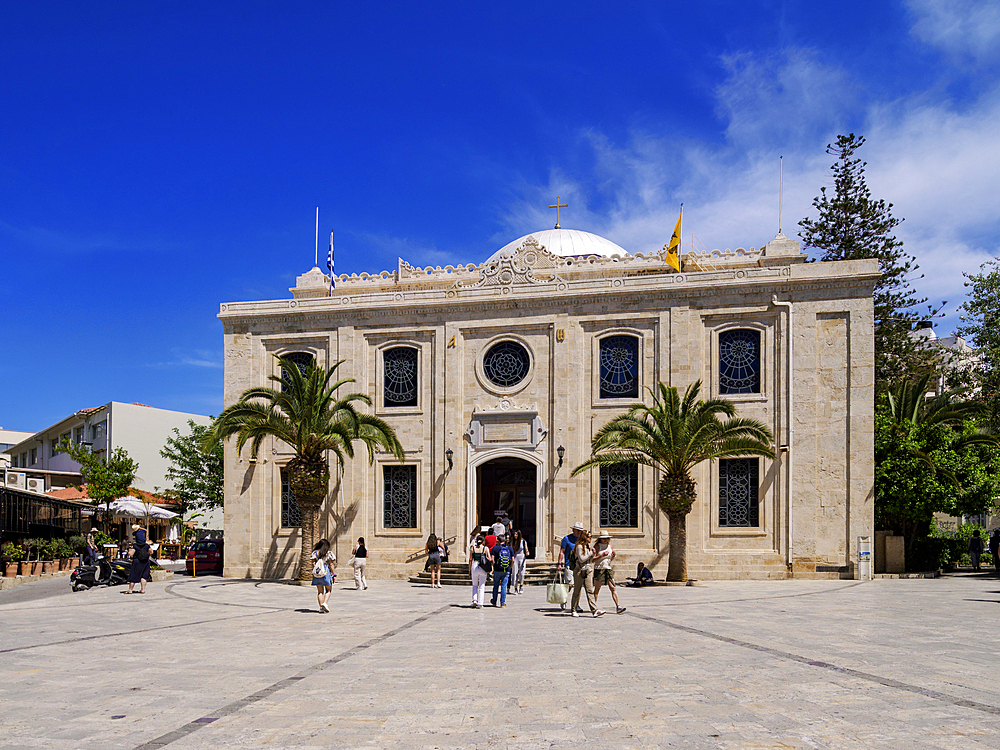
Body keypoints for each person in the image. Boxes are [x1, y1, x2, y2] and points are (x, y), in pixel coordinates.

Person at [570, 530, 603, 617]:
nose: (591, 538)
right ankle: (573, 609)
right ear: (585, 537)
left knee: (590, 591)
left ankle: (594, 610)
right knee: (577, 591)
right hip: (579, 571)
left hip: (588, 570)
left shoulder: (588, 546)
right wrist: (591, 553)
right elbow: (581, 559)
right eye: (589, 536)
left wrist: (593, 554)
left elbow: (590, 560)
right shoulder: (579, 546)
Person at [593, 531, 625, 614]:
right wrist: (601, 555)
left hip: (608, 568)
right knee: (597, 588)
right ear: (600, 539)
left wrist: (613, 556)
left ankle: (618, 606)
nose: (605, 540)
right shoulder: (597, 546)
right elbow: (593, 559)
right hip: (599, 568)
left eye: (607, 538)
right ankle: (593, 607)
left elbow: (609, 559)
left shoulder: (610, 546)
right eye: (604, 538)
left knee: (613, 587)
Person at [557, 521, 584, 610]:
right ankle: (563, 598)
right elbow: (562, 551)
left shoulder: (582, 540)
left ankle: (576, 604)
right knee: (570, 584)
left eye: (580, 531)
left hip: (579, 566)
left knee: (578, 586)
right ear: (573, 530)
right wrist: (559, 563)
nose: (579, 532)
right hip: (569, 565)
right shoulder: (566, 539)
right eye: (577, 530)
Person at [311, 539, 336, 613]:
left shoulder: (315, 553)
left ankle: (321, 607)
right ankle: (325, 603)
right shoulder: (328, 553)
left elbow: (313, 564)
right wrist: (333, 573)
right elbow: (331, 564)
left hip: (317, 573)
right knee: (328, 590)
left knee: (320, 591)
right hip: (325, 572)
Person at [125, 525, 151, 595]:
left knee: (134, 575)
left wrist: (129, 550)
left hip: (137, 561)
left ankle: (130, 590)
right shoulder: (146, 545)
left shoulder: (135, 545)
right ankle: (142, 590)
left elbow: (131, 554)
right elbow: (151, 551)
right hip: (146, 561)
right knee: (144, 576)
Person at [490, 534, 514, 607]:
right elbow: (513, 560)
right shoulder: (509, 548)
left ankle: (494, 601)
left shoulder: (495, 548)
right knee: (504, 586)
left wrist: (493, 567)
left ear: (498, 540)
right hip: (506, 570)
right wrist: (510, 567)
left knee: (496, 586)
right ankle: (502, 603)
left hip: (497, 569)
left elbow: (492, 560)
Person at [469, 534, 491, 608]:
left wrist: (469, 570)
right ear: (483, 541)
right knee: (482, 585)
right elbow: (489, 558)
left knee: (475, 585)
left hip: (474, 565)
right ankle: (480, 603)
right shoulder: (485, 548)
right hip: (482, 566)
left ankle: (474, 600)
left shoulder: (473, 548)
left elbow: (470, 559)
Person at [511, 529, 528, 595]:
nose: (515, 535)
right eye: (514, 534)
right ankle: (515, 588)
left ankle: (521, 585)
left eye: (516, 534)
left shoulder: (523, 541)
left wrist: (527, 552)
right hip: (515, 556)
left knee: (522, 573)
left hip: (522, 556)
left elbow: (526, 549)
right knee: (514, 572)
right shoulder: (513, 542)